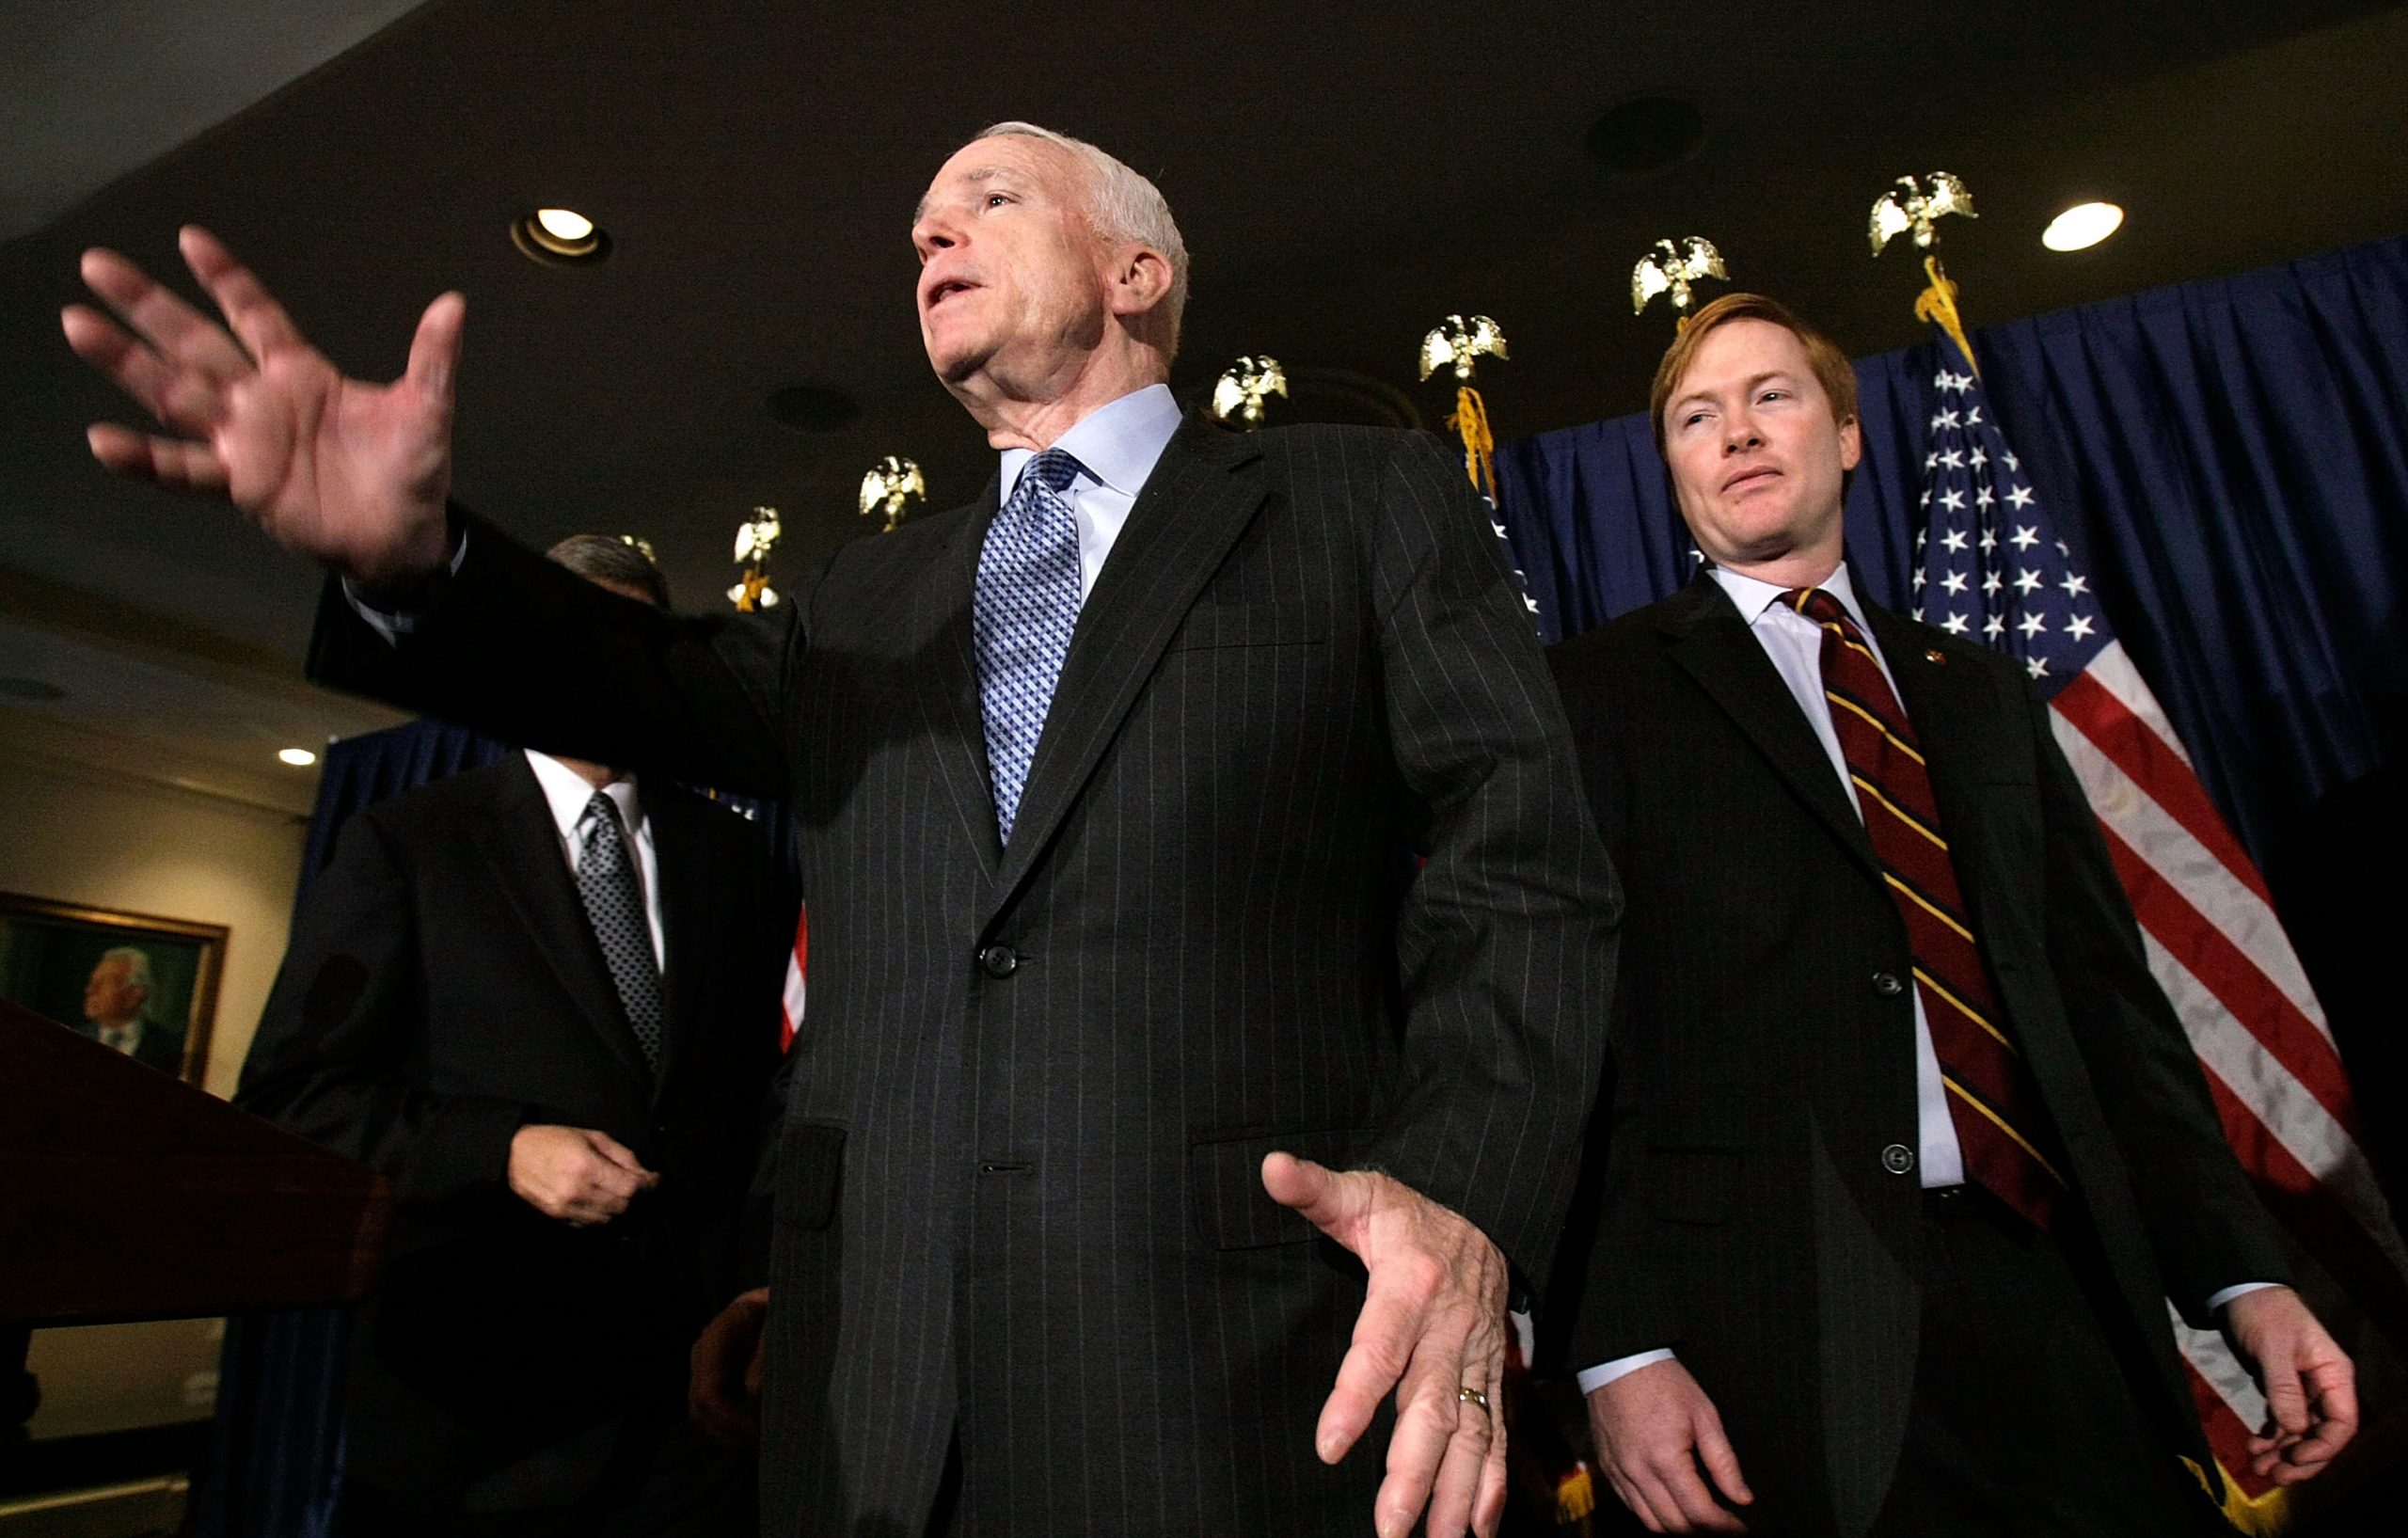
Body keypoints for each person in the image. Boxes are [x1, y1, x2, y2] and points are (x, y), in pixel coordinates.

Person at [64, 121, 1616, 1537]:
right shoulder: (871, 597)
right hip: (869, 1406)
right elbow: (642, 684)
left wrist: (1467, 1191)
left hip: (1232, 1375)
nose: (931, 240)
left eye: (987, 202)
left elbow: (1525, 858)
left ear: (1137, 272)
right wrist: (418, 565)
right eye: (919, 231)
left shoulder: (1357, 502)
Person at [1545, 293, 2356, 1535]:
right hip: (1780, 1348)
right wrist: (1616, 1347)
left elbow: (2110, 1012)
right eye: (1698, 416)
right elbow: (1568, 1046)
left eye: (1773, 396)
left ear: (1849, 434)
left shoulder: (1977, 691)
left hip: (2060, 1296)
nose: (1738, 433)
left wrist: (2242, 1271)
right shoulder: (1593, 695)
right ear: (1672, 466)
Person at [234, 535, 795, 1536]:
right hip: (473, 1428)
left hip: (693, 1426)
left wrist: (756, 1292)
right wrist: (498, 1147)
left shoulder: (737, 857)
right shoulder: (409, 844)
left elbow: (767, 1103)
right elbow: (294, 1100)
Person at [74, 945, 184, 1074]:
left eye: (104, 982)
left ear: (134, 994)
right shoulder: (74, 1040)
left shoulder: (168, 1048)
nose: (90, 990)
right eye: (92, 982)